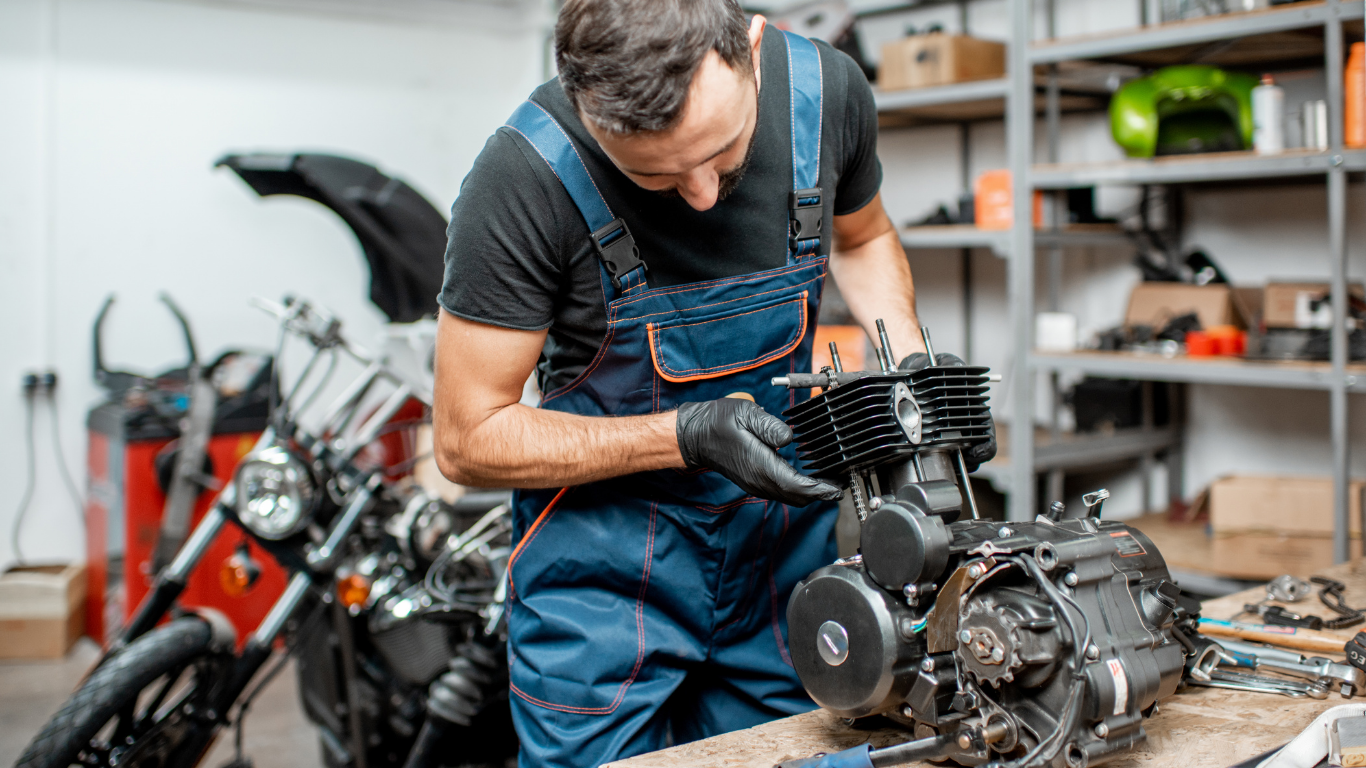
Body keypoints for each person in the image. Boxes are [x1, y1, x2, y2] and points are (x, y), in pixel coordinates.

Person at [432, 1, 973, 765]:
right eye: (653, 173)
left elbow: (865, 235)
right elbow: (467, 438)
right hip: (603, 587)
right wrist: (682, 435)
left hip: (782, 561)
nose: (703, 197)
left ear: (751, 47)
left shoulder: (828, 94)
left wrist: (907, 369)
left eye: (724, 153)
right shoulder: (523, 176)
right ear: (583, 101)